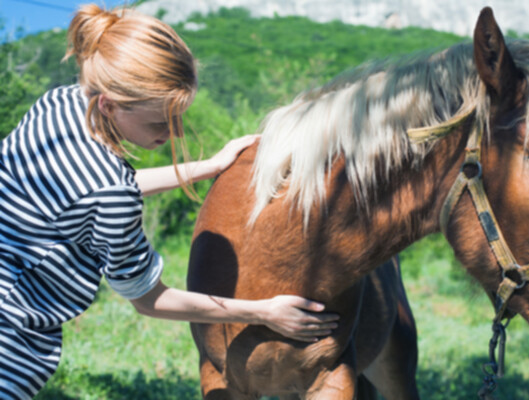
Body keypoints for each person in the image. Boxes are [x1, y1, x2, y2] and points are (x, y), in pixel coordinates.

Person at [0, 4, 339, 399]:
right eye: (160, 122)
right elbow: (150, 300)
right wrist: (264, 311)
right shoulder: (110, 195)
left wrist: (205, 167)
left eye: (178, 118)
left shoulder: (59, 106)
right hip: (12, 338)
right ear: (108, 104)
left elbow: (86, 193)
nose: (173, 133)